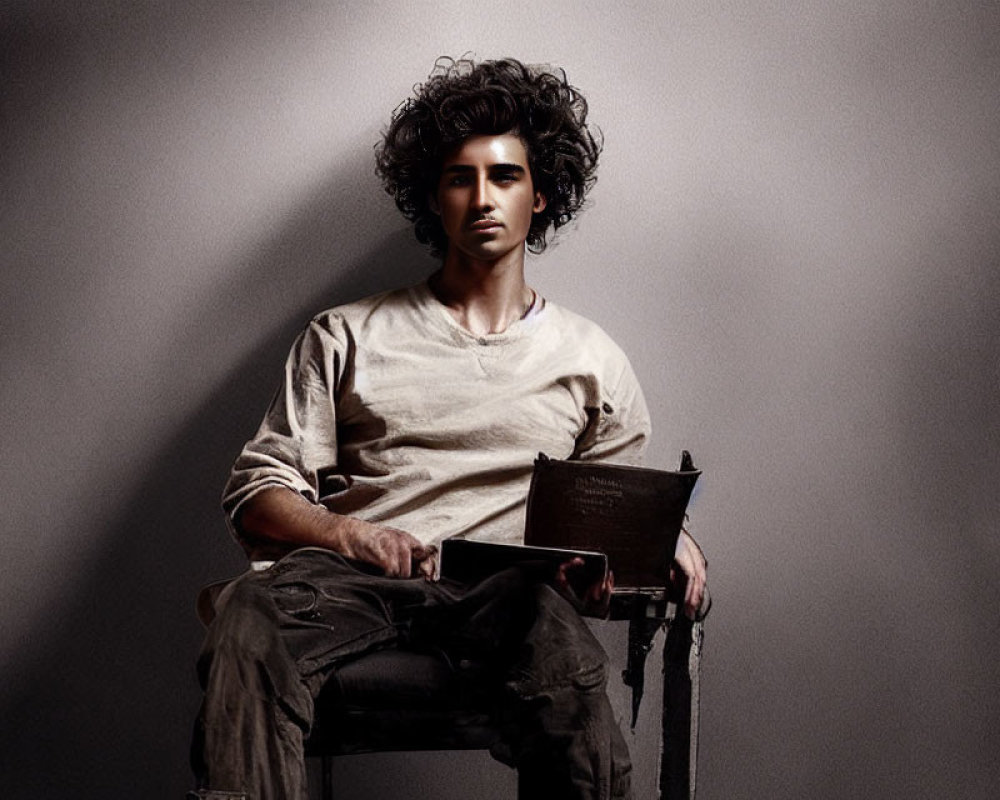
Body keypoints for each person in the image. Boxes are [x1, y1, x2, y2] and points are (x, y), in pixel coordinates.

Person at [188, 56, 707, 800]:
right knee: (246, 620)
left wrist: (664, 538)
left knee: (567, 661)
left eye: (505, 177)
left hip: (507, 596)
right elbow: (256, 497)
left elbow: (611, 518)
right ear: (435, 197)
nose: (483, 198)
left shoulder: (592, 360)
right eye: (461, 178)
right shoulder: (345, 334)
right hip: (349, 582)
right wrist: (353, 535)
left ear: (542, 195)